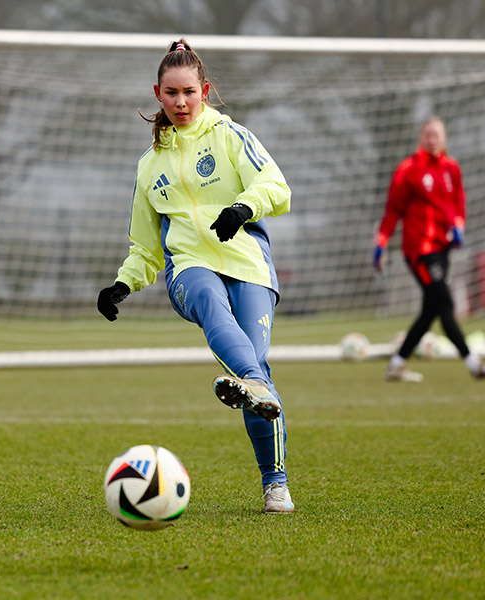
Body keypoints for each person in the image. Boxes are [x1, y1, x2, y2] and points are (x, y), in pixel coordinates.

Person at [97, 39, 294, 513]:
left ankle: (275, 484)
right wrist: (123, 283)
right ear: (158, 95)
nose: (181, 102)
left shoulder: (231, 136)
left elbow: (276, 186)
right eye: (171, 93)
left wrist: (243, 206)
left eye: (189, 91)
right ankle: (251, 381)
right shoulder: (149, 168)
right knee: (215, 311)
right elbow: (145, 246)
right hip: (188, 269)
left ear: (204, 90)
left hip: (247, 263)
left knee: (257, 375)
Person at [373, 116, 485, 383]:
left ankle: (397, 364)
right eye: (428, 135)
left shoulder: (451, 168)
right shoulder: (408, 169)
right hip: (419, 250)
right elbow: (393, 210)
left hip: (443, 249)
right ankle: (473, 364)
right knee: (444, 303)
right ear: (421, 138)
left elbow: (458, 203)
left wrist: (458, 225)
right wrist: (381, 242)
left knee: (431, 310)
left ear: (444, 138)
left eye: (437, 135)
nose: (432, 139)